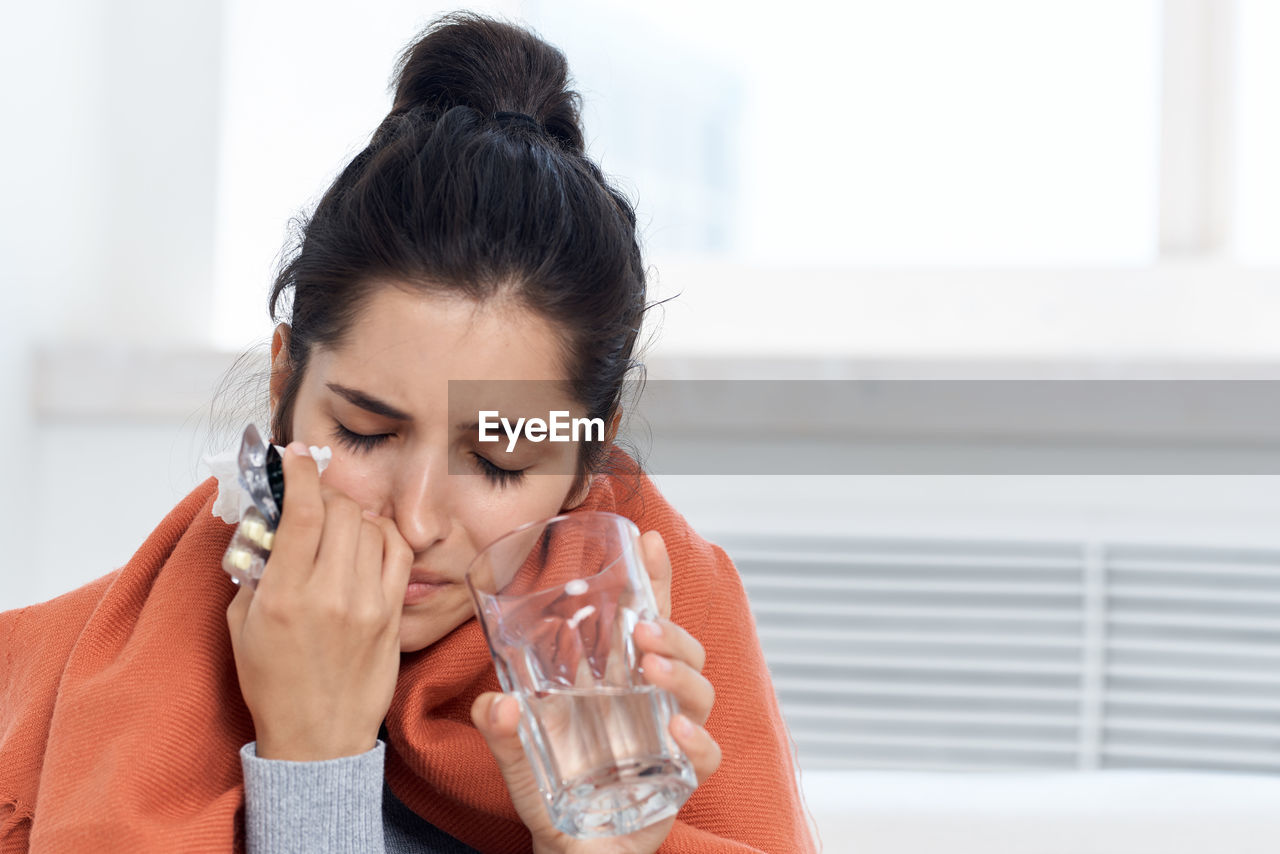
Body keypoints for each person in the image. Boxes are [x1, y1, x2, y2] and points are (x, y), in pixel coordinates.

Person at [0, 12, 815, 853]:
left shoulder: (661, 682)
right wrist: (315, 762)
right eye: (363, 433)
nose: (418, 520)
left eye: (497, 460)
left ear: (584, 462)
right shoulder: (86, 682)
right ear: (286, 384)